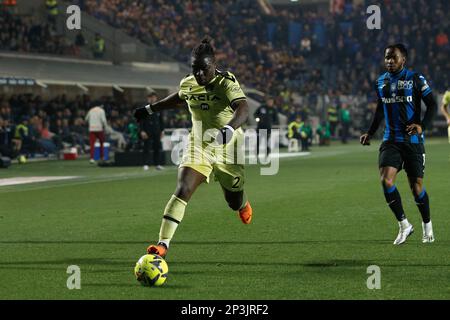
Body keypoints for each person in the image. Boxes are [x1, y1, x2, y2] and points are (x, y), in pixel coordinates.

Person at [133, 37, 253, 258]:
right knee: (183, 188)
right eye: (195, 70)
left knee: (233, 201)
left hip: (229, 147)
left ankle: (242, 202)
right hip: (199, 144)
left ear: (214, 66)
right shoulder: (188, 83)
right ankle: (162, 245)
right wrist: (150, 109)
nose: (199, 75)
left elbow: (243, 109)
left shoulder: (226, 82)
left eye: (204, 69)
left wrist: (228, 129)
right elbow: (179, 98)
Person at [360, 43, 437, 245]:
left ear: (403, 59)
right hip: (391, 140)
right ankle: (404, 225)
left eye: (393, 57)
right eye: (387, 57)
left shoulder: (415, 79)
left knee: (416, 188)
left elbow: (433, 105)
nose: (389, 61)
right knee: (386, 180)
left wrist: (422, 126)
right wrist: (369, 132)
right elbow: (379, 109)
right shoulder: (381, 82)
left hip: (412, 142)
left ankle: (427, 224)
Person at [140, 93, 165, 171]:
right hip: (147, 131)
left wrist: (162, 131)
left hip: (157, 131)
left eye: (154, 97)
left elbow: (161, 121)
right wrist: (142, 131)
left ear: (156, 98)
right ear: (148, 99)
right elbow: (141, 121)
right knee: (146, 147)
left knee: (157, 148)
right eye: (151, 98)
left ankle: (157, 164)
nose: (152, 99)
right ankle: (145, 164)